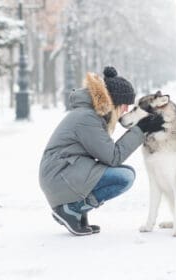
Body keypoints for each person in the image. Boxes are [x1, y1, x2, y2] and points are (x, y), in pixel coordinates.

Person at [38, 66, 164, 236]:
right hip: (60, 175)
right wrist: (141, 129)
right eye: (124, 105)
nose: (126, 110)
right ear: (114, 102)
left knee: (124, 173)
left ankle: (77, 212)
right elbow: (113, 157)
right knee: (123, 177)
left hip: (63, 173)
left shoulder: (90, 115)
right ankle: (71, 209)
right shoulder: (87, 118)